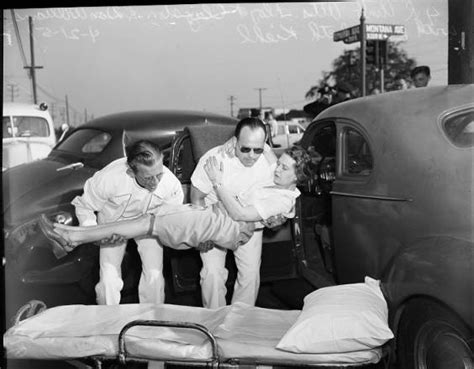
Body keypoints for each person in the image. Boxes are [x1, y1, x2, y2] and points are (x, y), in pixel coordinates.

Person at [39, 146, 312, 261]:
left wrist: (218, 182)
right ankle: (72, 237)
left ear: (297, 177)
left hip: (228, 222)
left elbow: (240, 212)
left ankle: (71, 237)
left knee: (144, 223)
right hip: (217, 217)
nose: (276, 168)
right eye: (280, 163)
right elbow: (258, 145)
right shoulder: (279, 185)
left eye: (284, 168)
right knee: (141, 224)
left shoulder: (282, 198)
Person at [71, 140, 184, 305]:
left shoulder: (171, 185)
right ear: (131, 172)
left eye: (159, 174)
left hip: (148, 225)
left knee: (154, 276)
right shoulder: (109, 178)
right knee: (109, 281)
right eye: (148, 178)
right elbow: (84, 206)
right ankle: (110, 323)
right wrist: (94, 235)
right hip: (113, 226)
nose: (155, 183)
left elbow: (172, 219)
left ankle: (152, 321)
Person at [191, 117, 279, 309]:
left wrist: (273, 218)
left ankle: (240, 323)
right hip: (215, 222)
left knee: (250, 275)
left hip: (250, 224)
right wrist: (200, 233)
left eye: (258, 149)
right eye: (245, 149)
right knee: (212, 274)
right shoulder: (215, 159)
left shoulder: (270, 164)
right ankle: (214, 322)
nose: (251, 155)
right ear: (235, 141)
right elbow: (196, 197)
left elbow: (273, 200)